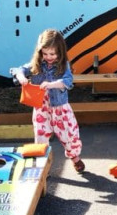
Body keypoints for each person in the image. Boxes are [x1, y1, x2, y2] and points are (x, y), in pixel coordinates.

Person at [13, 29, 85, 173]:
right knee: (40, 137)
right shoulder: (37, 64)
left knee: (69, 135)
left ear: (60, 52)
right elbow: (18, 69)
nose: (48, 57)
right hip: (42, 108)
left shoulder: (64, 65)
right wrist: (21, 77)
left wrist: (50, 84)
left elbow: (67, 81)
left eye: (52, 54)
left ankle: (75, 158)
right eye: (45, 54)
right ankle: (41, 168)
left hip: (60, 107)